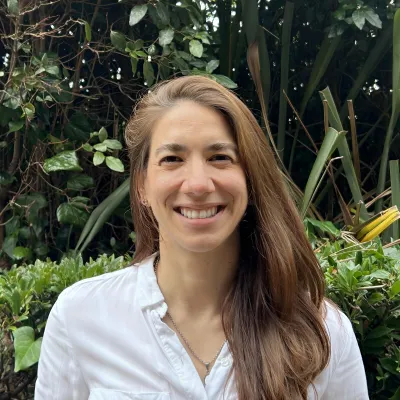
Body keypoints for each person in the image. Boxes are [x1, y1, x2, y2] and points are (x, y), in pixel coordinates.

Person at [35, 75, 369, 400]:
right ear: (141, 187)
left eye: (219, 158)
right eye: (172, 159)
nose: (197, 184)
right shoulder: (81, 316)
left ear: (250, 179)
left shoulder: (323, 331)